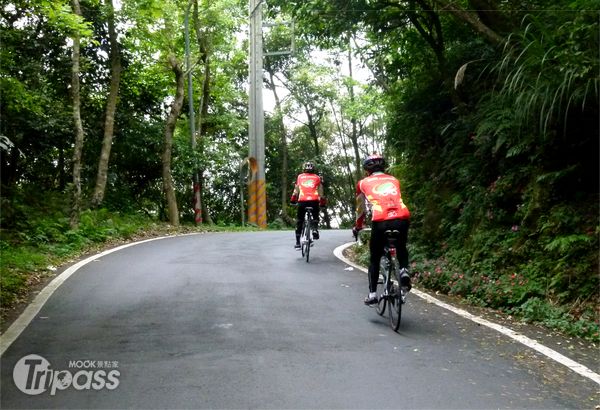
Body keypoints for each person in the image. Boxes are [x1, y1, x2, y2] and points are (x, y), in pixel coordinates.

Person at [352, 153, 411, 305]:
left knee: (375, 257)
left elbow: (360, 209)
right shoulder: (394, 180)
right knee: (401, 247)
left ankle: (372, 294)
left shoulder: (362, 183)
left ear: (367, 170)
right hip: (402, 217)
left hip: (381, 220)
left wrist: (358, 226)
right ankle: (404, 270)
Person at [290, 161, 326, 249]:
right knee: (315, 216)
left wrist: (293, 199)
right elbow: (321, 192)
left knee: (299, 221)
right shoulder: (317, 177)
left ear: (304, 169)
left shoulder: (300, 177)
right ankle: (314, 229)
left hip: (302, 201)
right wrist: (322, 202)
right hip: (314, 201)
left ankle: (298, 243)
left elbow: (296, 190)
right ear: (313, 169)